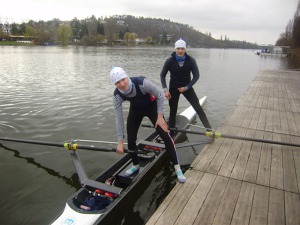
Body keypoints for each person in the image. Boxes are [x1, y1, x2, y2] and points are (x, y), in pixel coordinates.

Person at [110, 66, 186, 183]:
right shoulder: (117, 96)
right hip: (136, 110)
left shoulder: (142, 83)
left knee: (165, 135)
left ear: (127, 77)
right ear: (115, 84)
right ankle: (135, 165)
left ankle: (177, 168)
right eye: (117, 82)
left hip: (152, 107)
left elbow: (160, 95)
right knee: (130, 140)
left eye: (123, 79)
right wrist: (120, 141)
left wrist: (160, 117)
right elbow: (119, 118)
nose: (122, 84)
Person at [160, 38, 212, 136]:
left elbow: (196, 76)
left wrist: (187, 87)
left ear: (185, 49)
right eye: (178, 48)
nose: (180, 51)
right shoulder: (170, 61)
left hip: (187, 87)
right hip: (173, 88)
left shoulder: (191, 60)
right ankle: (171, 133)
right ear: (175, 49)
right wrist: (165, 90)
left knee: (198, 108)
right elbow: (162, 75)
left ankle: (209, 129)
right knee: (173, 111)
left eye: (182, 49)